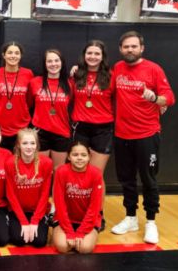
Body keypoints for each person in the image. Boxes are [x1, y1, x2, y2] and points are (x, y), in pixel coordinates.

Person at [110, 31, 175, 244]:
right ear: (120, 49)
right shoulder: (117, 68)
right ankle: (130, 218)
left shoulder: (154, 69)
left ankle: (150, 221)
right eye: (126, 47)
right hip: (122, 135)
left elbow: (170, 98)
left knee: (148, 179)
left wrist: (156, 98)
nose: (130, 50)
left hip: (147, 134)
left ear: (142, 48)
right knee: (126, 179)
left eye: (133, 46)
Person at [72, 40, 114, 230]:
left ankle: (98, 213)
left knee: (96, 175)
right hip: (81, 128)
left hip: (103, 129)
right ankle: (79, 212)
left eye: (97, 53)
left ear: (102, 57)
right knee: (79, 173)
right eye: (90, 53)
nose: (93, 57)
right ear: (84, 55)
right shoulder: (76, 75)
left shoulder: (111, 76)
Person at [52, 141, 103, 254]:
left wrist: (81, 232)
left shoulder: (96, 174)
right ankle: (64, 233)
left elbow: (94, 207)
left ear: (89, 157)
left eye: (83, 155)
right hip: (65, 219)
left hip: (87, 220)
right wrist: (69, 231)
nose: (79, 158)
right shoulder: (62, 172)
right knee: (62, 247)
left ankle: (87, 234)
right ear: (69, 156)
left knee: (85, 249)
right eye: (75, 155)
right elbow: (59, 204)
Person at [6, 128, 53, 248]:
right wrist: (23, 221)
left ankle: (47, 218)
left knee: (39, 242)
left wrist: (35, 221)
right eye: (25, 143)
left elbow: (44, 195)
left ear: (37, 145)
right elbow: (11, 195)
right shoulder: (10, 163)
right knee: (19, 240)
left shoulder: (46, 163)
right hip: (17, 210)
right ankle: (9, 220)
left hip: (37, 210)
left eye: (32, 143)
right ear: (18, 145)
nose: (29, 147)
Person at [28, 49, 72, 171]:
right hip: (41, 132)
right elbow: (29, 104)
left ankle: (55, 191)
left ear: (62, 62)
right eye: (49, 61)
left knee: (59, 170)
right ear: (45, 64)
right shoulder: (35, 82)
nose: (53, 64)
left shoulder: (70, 84)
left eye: (56, 60)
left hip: (62, 132)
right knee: (41, 170)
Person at [0, 42, 34, 152]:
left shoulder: (28, 73)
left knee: (19, 161)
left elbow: (29, 99)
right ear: (3, 55)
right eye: (9, 52)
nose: (13, 56)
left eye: (16, 53)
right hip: (0, 127)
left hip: (22, 126)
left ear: (20, 56)